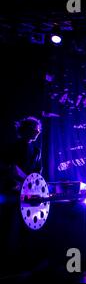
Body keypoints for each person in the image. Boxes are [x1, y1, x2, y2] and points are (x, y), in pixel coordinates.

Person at [0, 116, 43, 275]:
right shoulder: (12, 147)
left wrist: (32, 186)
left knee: (28, 228)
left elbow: (37, 173)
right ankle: (7, 264)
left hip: (28, 194)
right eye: (34, 129)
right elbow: (6, 167)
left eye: (38, 129)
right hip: (11, 193)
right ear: (26, 130)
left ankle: (26, 262)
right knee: (9, 227)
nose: (37, 132)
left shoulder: (37, 151)